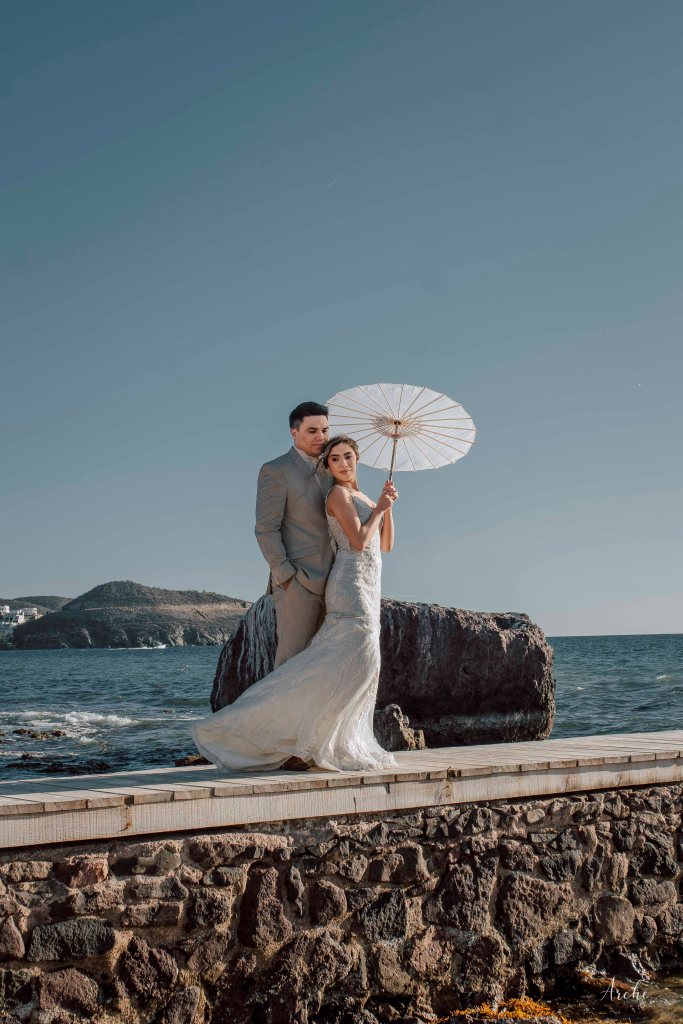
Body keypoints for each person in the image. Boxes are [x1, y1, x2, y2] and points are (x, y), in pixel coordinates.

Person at [191, 435, 399, 772]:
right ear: (327, 465)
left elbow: (385, 544)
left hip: (371, 585)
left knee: (360, 663)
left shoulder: (363, 496)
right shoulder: (338, 494)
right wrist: (379, 509)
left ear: (357, 458)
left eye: (348, 456)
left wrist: (387, 507)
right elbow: (359, 542)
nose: (343, 464)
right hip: (350, 583)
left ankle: (322, 737)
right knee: (354, 657)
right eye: (335, 459)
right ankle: (256, 722)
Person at [255, 401, 334, 669]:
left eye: (325, 430)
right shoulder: (276, 470)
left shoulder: (332, 468)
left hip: (335, 581)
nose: (321, 437)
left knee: (322, 666)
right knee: (291, 666)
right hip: (298, 583)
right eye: (312, 431)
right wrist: (287, 577)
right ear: (294, 432)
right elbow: (266, 529)